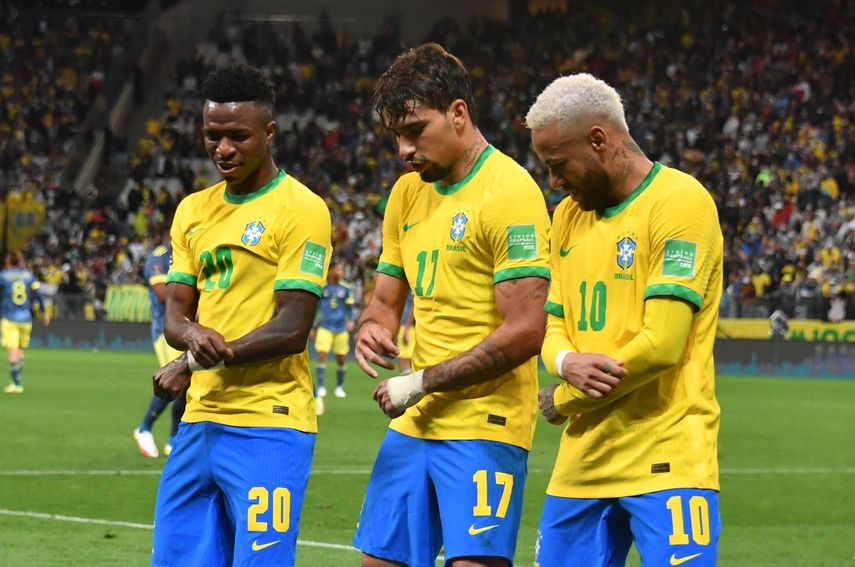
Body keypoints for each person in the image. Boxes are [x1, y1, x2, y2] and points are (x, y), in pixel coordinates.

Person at [352, 43, 551, 567]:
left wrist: (418, 382)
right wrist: (372, 328)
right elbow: (383, 303)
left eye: (415, 130)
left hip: (487, 421)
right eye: (396, 135)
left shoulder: (509, 193)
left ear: (458, 114)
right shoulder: (406, 195)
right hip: (416, 419)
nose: (403, 149)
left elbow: (528, 331)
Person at [527, 73, 724, 567]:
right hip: (582, 463)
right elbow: (553, 324)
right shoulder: (567, 217)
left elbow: (661, 345)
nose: (553, 182)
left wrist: (565, 397)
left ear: (599, 140)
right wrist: (566, 360)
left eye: (557, 165)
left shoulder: (680, 203)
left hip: (668, 458)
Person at [149, 62, 332, 567]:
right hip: (200, 422)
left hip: (270, 425)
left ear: (269, 132)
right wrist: (190, 335)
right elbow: (176, 317)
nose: (223, 149)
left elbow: (293, 327)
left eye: (238, 136)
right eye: (213, 135)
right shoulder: (192, 210)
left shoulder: (302, 209)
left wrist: (195, 360)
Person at [133, 230, 185, 458]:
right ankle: (144, 428)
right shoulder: (160, 256)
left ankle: (174, 440)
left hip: (186, 328)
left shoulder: (188, 254)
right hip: (166, 329)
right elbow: (162, 294)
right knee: (177, 379)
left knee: (187, 385)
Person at [1, 251, 49, 394]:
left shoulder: (3, 276)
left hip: (10, 317)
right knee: (20, 349)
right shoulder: (29, 275)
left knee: (12, 350)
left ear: (9, 261)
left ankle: (16, 383)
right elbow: (39, 294)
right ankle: (17, 379)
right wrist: (43, 312)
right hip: (26, 318)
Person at [310, 259, 355, 399]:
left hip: (341, 327)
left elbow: (350, 308)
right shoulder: (322, 287)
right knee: (322, 355)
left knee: (341, 359)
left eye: (342, 270)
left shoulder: (346, 288)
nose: (341, 272)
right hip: (324, 326)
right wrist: (312, 327)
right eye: (339, 270)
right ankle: (322, 386)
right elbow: (314, 308)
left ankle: (339, 387)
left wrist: (351, 321)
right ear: (330, 271)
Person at [396, 292, 415, 372]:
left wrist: (407, 329)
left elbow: (413, 307)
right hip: (406, 327)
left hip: (408, 328)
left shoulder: (413, 290)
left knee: (404, 358)